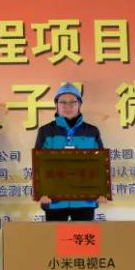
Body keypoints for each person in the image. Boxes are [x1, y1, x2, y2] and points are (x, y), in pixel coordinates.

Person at [34, 82, 107, 221]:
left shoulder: (92, 131)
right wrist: (41, 192)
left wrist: (102, 190)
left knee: (83, 235)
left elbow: (100, 164)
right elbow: (39, 164)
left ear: (79, 104)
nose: (68, 106)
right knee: (56, 235)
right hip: (54, 200)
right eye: (63, 102)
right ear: (56, 105)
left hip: (84, 200)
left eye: (73, 102)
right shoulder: (46, 131)